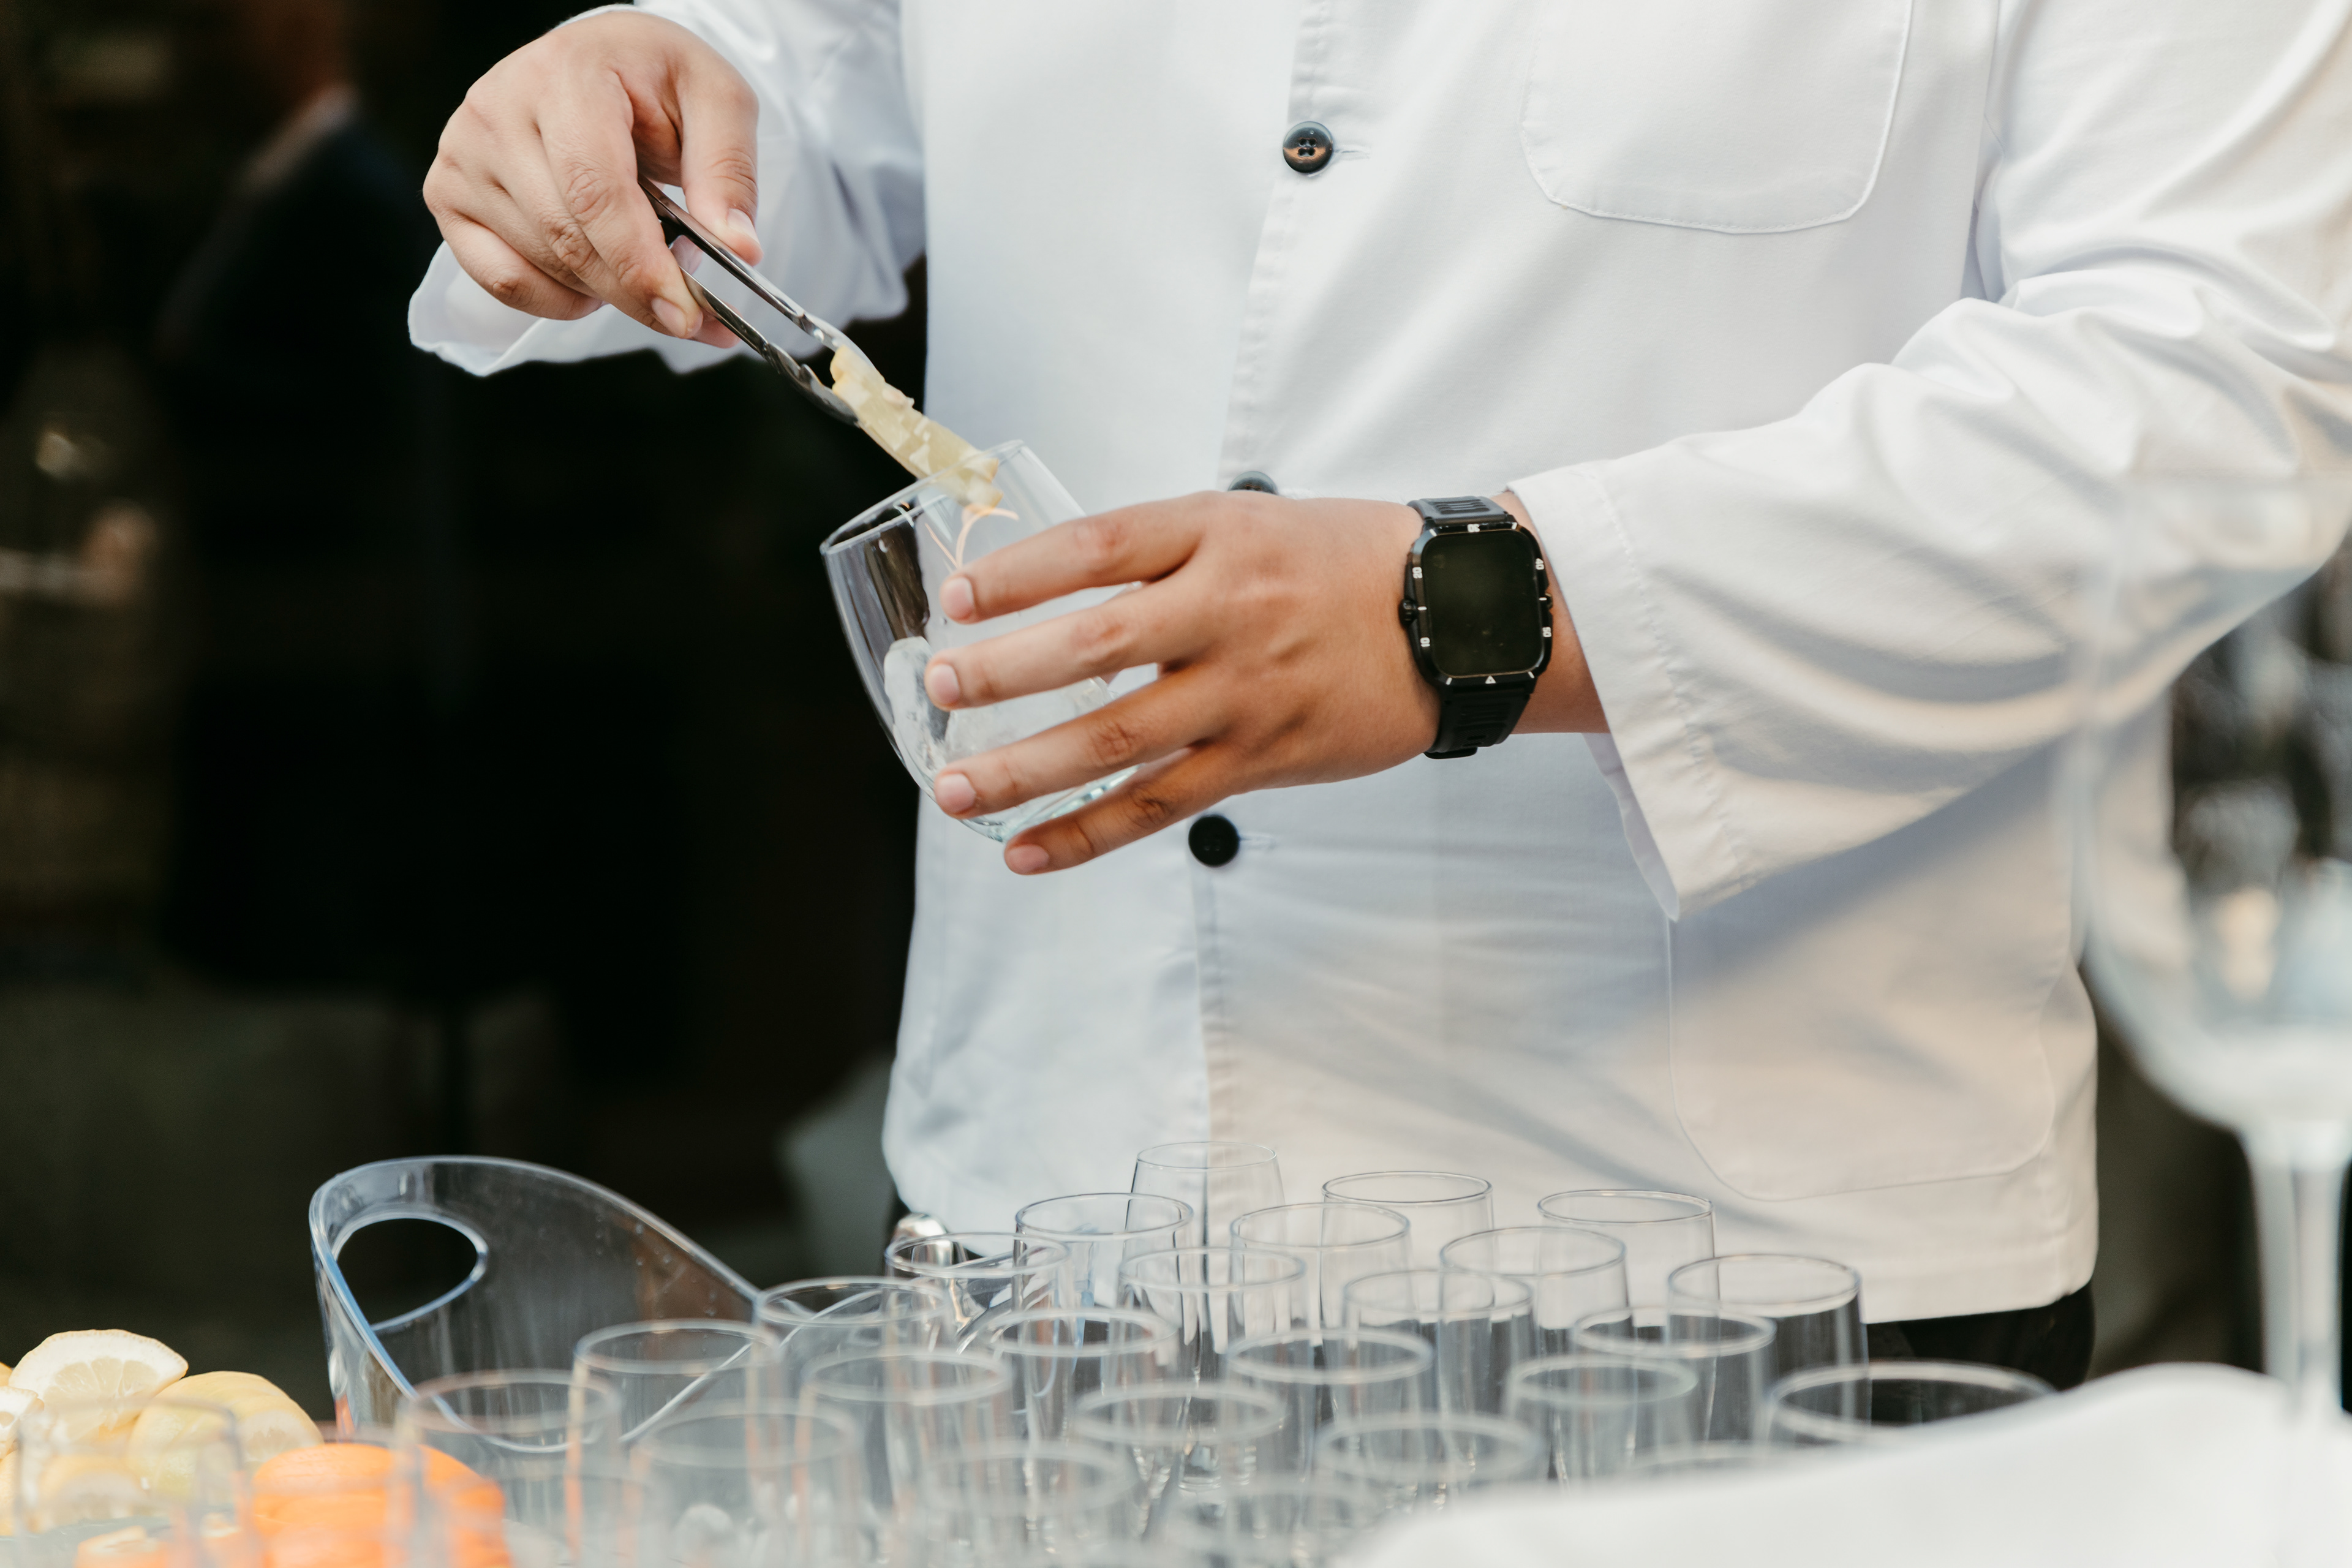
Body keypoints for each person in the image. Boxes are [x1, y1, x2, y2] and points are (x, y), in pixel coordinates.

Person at [409, 1, 2352, 1388]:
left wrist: (1474, 609)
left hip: (1759, 1297)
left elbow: (2223, 391)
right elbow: (814, 79)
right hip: (1059, 1262)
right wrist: (644, 88)